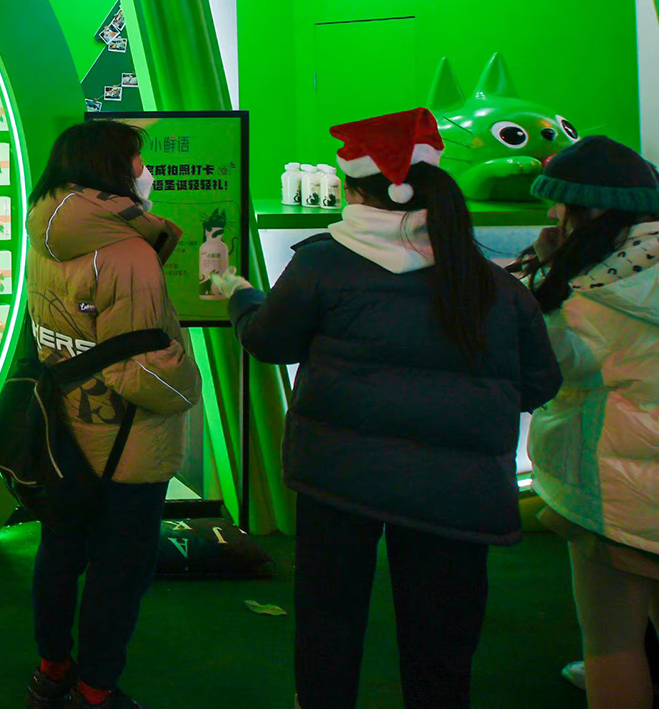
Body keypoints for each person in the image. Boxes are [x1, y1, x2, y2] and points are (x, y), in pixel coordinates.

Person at [223, 108, 560, 709]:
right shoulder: (491, 281)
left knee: (329, 618)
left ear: (355, 190)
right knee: (441, 638)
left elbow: (270, 341)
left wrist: (240, 296)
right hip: (455, 490)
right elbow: (538, 382)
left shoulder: (323, 263)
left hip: (338, 477)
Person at [23, 120, 201, 709]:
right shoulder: (127, 254)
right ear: (112, 169)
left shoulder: (45, 229)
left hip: (65, 430)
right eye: (137, 159)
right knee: (119, 570)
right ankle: (96, 689)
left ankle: (52, 669)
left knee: (60, 552)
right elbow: (141, 369)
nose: (144, 170)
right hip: (129, 440)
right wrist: (188, 384)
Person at [511, 136, 659, 709]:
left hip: (617, 495)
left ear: (592, 211)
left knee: (612, 645)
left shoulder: (586, 296)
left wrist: (542, 269)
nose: (553, 214)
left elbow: (539, 367)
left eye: (562, 204)